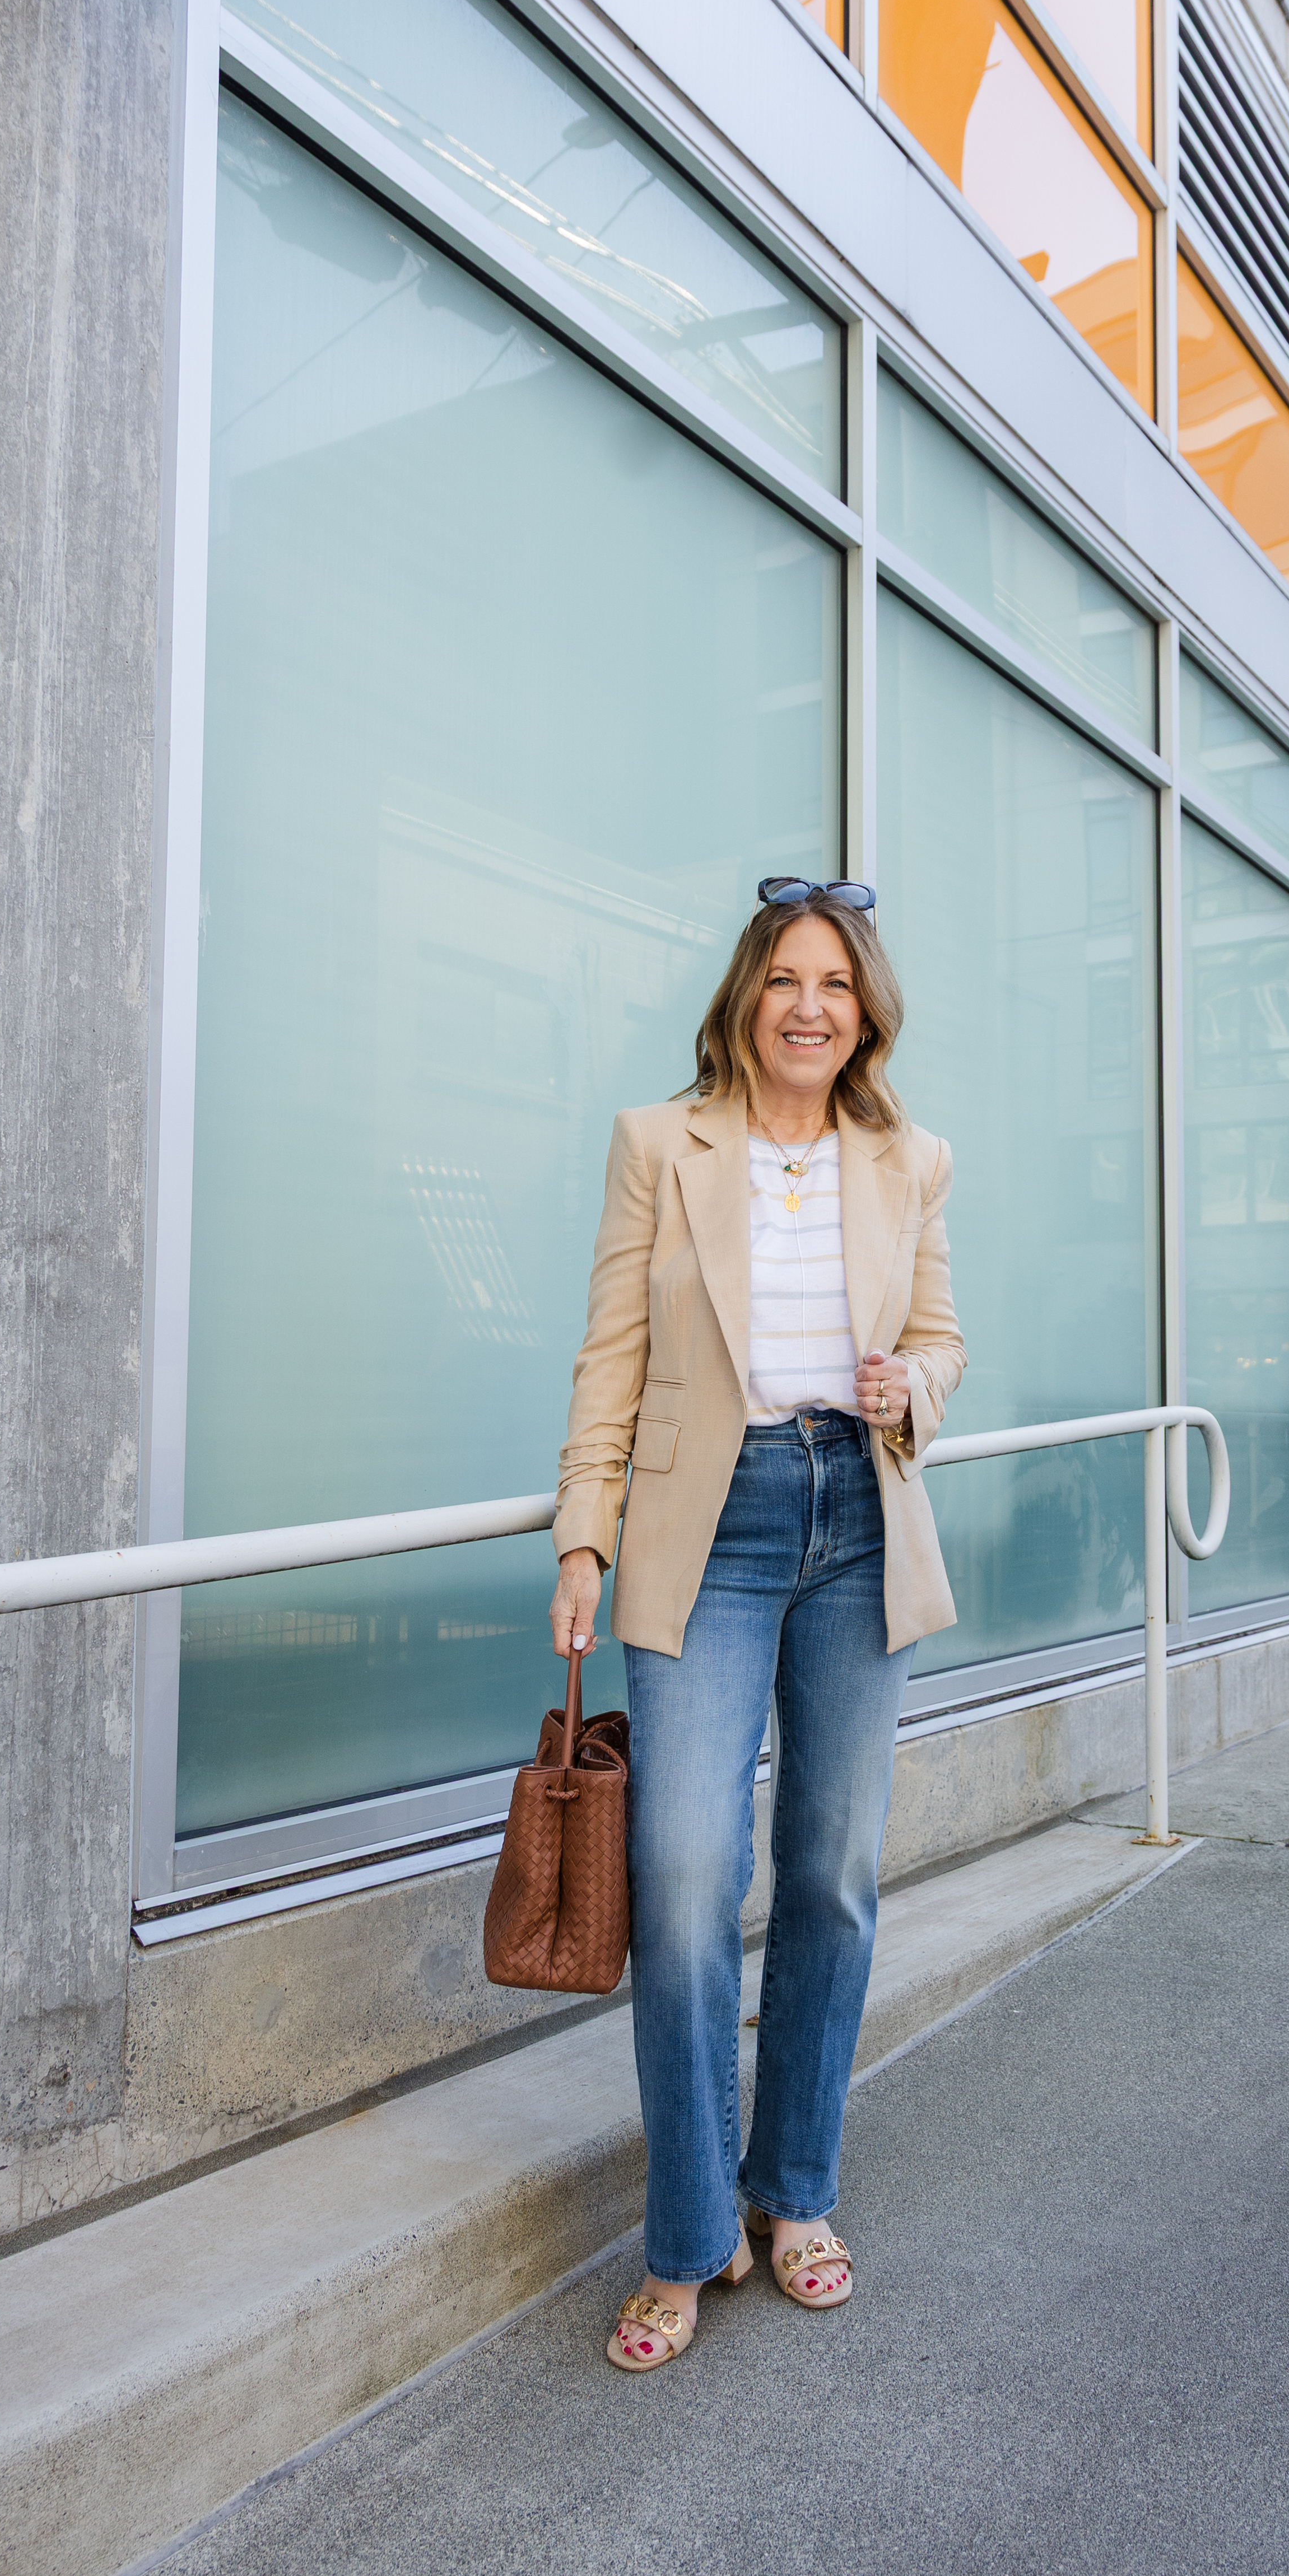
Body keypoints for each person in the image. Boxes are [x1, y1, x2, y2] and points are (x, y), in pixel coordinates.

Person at [549, 877, 966, 2370]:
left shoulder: (904, 1157)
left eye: (834, 986)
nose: (807, 1005)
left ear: (864, 1015)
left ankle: (791, 2193)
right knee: (678, 1880)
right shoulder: (660, 1145)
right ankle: (685, 2236)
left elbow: (938, 1337)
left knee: (832, 1876)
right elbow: (610, 1355)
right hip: (699, 1535)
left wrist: (909, 1389)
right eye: (784, 978)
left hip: (855, 1518)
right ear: (744, 996)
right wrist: (583, 1534)